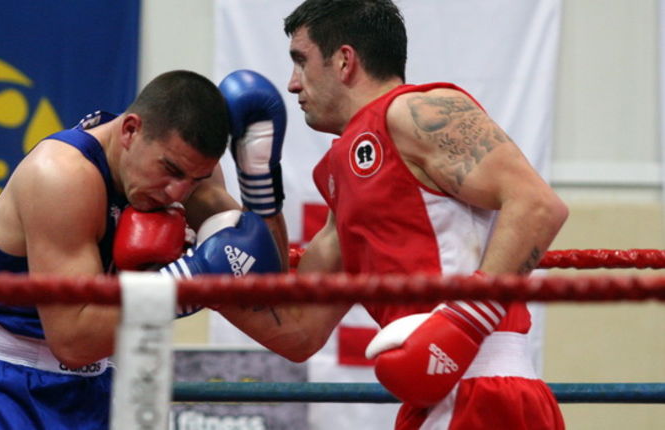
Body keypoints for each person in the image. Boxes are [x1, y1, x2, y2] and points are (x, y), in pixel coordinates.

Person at [215, 1, 569, 429]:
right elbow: (299, 332)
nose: (292, 85)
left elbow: (538, 206)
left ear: (344, 61)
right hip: (435, 398)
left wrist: (464, 325)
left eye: (301, 61)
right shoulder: (342, 177)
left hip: (485, 387)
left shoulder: (421, 111)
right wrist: (202, 279)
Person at [0, 69, 288, 429]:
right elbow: (72, 342)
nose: (178, 193)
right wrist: (186, 284)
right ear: (130, 130)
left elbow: (270, 282)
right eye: (170, 170)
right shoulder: (61, 175)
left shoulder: (187, 175)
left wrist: (259, 185)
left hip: (98, 383)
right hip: (6, 385)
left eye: (194, 180)